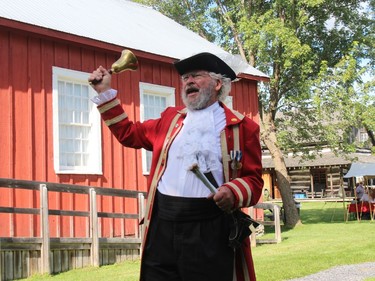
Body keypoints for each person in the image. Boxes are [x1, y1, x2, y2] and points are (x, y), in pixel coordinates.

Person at [88, 52, 263, 281]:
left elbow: (254, 180)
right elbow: (128, 133)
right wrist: (104, 93)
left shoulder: (242, 127)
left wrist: (232, 191)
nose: (188, 81)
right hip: (163, 224)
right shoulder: (170, 119)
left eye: (196, 76)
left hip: (209, 227)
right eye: (185, 78)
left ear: (218, 83)